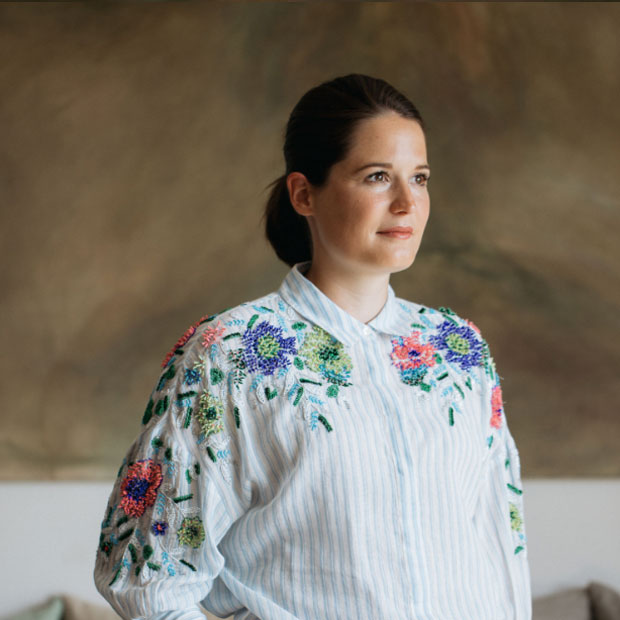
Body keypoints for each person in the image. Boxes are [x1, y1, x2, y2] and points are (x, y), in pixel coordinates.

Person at [93, 73, 532, 620]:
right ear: (304, 193)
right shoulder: (229, 353)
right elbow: (147, 578)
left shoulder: (457, 349)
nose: (407, 203)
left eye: (419, 179)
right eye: (378, 177)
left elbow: (500, 545)